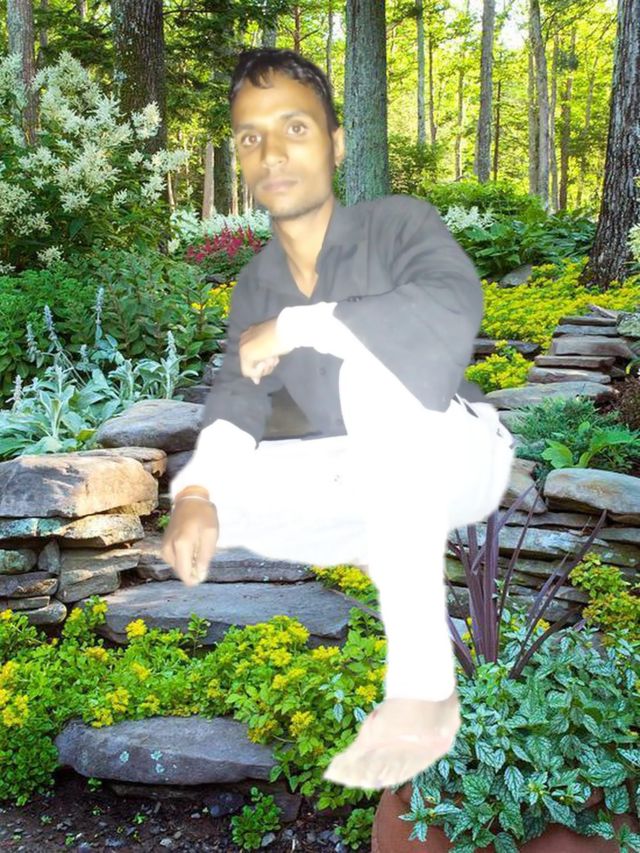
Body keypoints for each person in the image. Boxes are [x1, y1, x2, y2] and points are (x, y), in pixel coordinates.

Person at [160, 47, 516, 791]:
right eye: (251, 136)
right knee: (221, 489)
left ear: (336, 143)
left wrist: (299, 327)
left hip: (455, 451)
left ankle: (423, 694)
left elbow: (450, 307)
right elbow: (238, 395)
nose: (272, 152)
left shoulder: (399, 223)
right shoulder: (257, 281)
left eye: (295, 127)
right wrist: (196, 493)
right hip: (369, 473)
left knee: (367, 380)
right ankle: (384, 541)